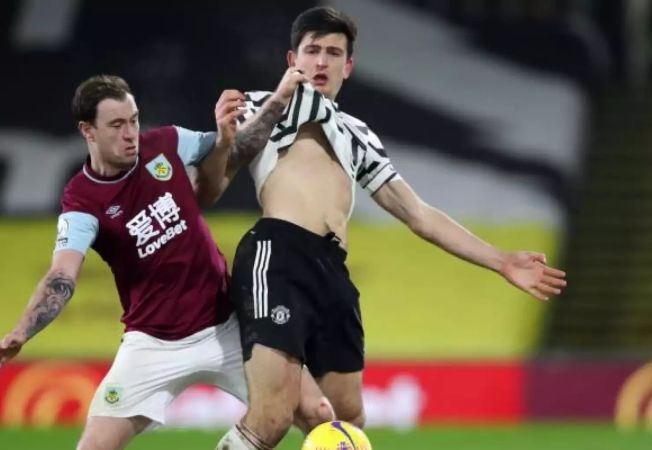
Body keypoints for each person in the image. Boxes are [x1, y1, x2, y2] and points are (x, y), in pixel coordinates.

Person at [210, 7, 569, 449]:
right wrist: (276, 101)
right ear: (293, 60)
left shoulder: (358, 134)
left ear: (349, 66)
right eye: (313, 51)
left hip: (332, 269)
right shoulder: (262, 103)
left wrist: (501, 260)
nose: (322, 62)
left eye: (333, 53)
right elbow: (232, 158)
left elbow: (417, 213)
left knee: (346, 420)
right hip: (278, 254)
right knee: (270, 419)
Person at [0, 75, 332, 450]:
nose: (130, 133)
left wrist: (278, 98)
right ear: (88, 131)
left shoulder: (166, 143)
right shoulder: (81, 201)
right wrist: (22, 331)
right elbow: (62, 274)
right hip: (152, 343)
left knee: (319, 413)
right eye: (117, 125)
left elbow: (235, 147)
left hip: (226, 325)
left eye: (133, 120)